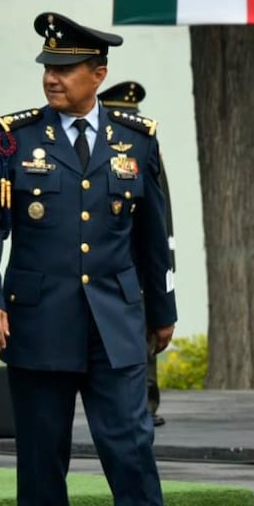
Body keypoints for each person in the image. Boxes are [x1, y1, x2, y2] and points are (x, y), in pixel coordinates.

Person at [0, 13, 200, 506]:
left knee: (133, 451)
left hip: (117, 322)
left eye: (66, 68)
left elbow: (156, 233)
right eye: (47, 67)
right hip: (39, 321)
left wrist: (163, 308)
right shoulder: (10, 136)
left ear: (99, 73)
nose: (53, 78)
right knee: (43, 455)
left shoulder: (136, 137)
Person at [97, 81, 175, 427]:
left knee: (146, 328)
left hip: (139, 261)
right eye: (120, 115)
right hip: (109, 260)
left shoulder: (145, 151)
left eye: (131, 116)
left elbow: (159, 213)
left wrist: (164, 259)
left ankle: (147, 401)